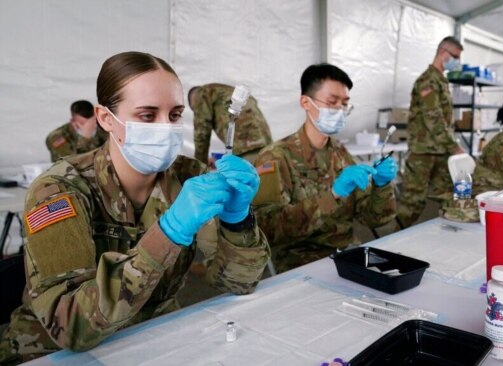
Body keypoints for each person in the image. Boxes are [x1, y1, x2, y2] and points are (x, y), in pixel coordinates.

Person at [0, 52, 269, 364]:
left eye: (175, 115)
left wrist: (237, 221)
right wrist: (168, 234)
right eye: (147, 115)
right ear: (105, 119)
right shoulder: (59, 190)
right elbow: (71, 327)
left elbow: (240, 281)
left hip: (154, 336)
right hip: (54, 354)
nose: (166, 127)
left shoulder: (188, 176)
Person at [253, 63, 397, 274]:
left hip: (347, 253)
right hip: (301, 261)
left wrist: (382, 186)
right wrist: (332, 195)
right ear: (306, 102)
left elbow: (372, 219)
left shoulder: (340, 154)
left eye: (344, 103)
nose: (339, 110)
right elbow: (268, 228)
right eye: (332, 102)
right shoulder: (275, 157)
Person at [397, 36, 464, 228]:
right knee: (413, 202)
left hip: (440, 152)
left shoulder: (441, 81)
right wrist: (454, 146)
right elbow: (433, 119)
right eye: (455, 57)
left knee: (447, 195)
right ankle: (394, 242)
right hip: (423, 153)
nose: (457, 62)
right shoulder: (427, 81)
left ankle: (444, 236)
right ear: (444, 53)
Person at [188, 83, 273, 165]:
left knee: (248, 176)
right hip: (265, 140)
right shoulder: (224, 91)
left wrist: (200, 164)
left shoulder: (201, 94)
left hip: (245, 143)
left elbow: (201, 132)